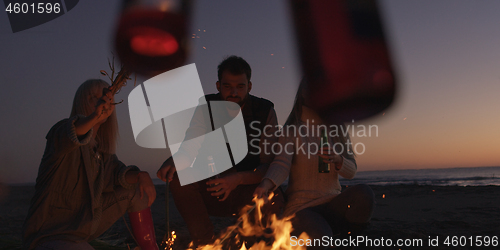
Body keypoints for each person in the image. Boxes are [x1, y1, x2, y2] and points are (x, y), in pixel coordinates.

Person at [157, 56, 284, 246]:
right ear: (218, 85)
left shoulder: (264, 111)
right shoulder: (205, 107)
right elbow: (190, 146)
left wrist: (238, 179)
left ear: (249, 86)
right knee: (179, 177)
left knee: (275, 197)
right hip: (212, 189)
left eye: (240, 87)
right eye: (227, 86)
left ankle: (249, 240)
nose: (234, 92)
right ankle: (205, 243)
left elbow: (269, 167)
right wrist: (175, 160)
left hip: (248, 190)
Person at [23, 79, 159, 250]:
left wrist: (141, 176)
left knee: (135, 191)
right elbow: (73, 132)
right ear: (81, 103)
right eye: (93, 98)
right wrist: (94, 117)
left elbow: (119, 175)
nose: (101, 102)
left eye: (104, 97)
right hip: (49, 234)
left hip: (81, 229)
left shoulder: (102, 154)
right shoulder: (61, 133)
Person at [254, 80, 375, 249]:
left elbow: (351, 171)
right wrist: (266, 184)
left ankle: (349, 239)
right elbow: (281, 163)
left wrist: (339, 160)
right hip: (302, 208)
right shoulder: (292, 130)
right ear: (302, 93)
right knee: (322, 239)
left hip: (333, 203)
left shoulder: (337, 128)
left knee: (364, 193)